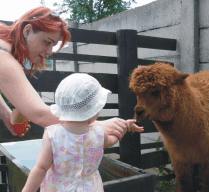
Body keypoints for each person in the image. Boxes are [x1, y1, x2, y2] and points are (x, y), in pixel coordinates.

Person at [2, 73, 144, 192]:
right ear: (94, 111)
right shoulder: (98, 133)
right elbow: (113, 139)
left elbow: (41, 168)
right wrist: (125, 126)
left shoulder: (53, 134)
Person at [0, 6, 128, 138]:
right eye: (47, 42)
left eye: (53, 45)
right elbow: (39, 114)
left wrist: (5, 114)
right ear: (27, 31)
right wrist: (97, 126)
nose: (49, 52)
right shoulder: (4, 57)